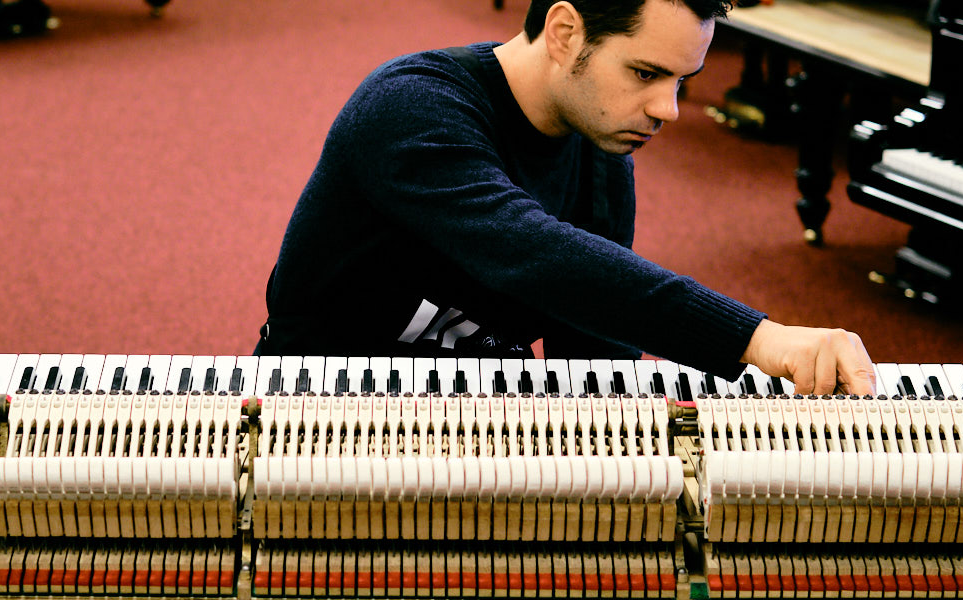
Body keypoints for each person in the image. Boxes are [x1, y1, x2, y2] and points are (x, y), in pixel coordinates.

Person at [255, 0, 876, 395]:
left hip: (488, 429)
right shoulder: (410, 106)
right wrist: (757, 338)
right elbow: (532, 252)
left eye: (683, 81)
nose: (670, 109)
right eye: (645, 73)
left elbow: (597, 354)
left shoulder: (602, 156)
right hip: (320, 411)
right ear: (563, 33)